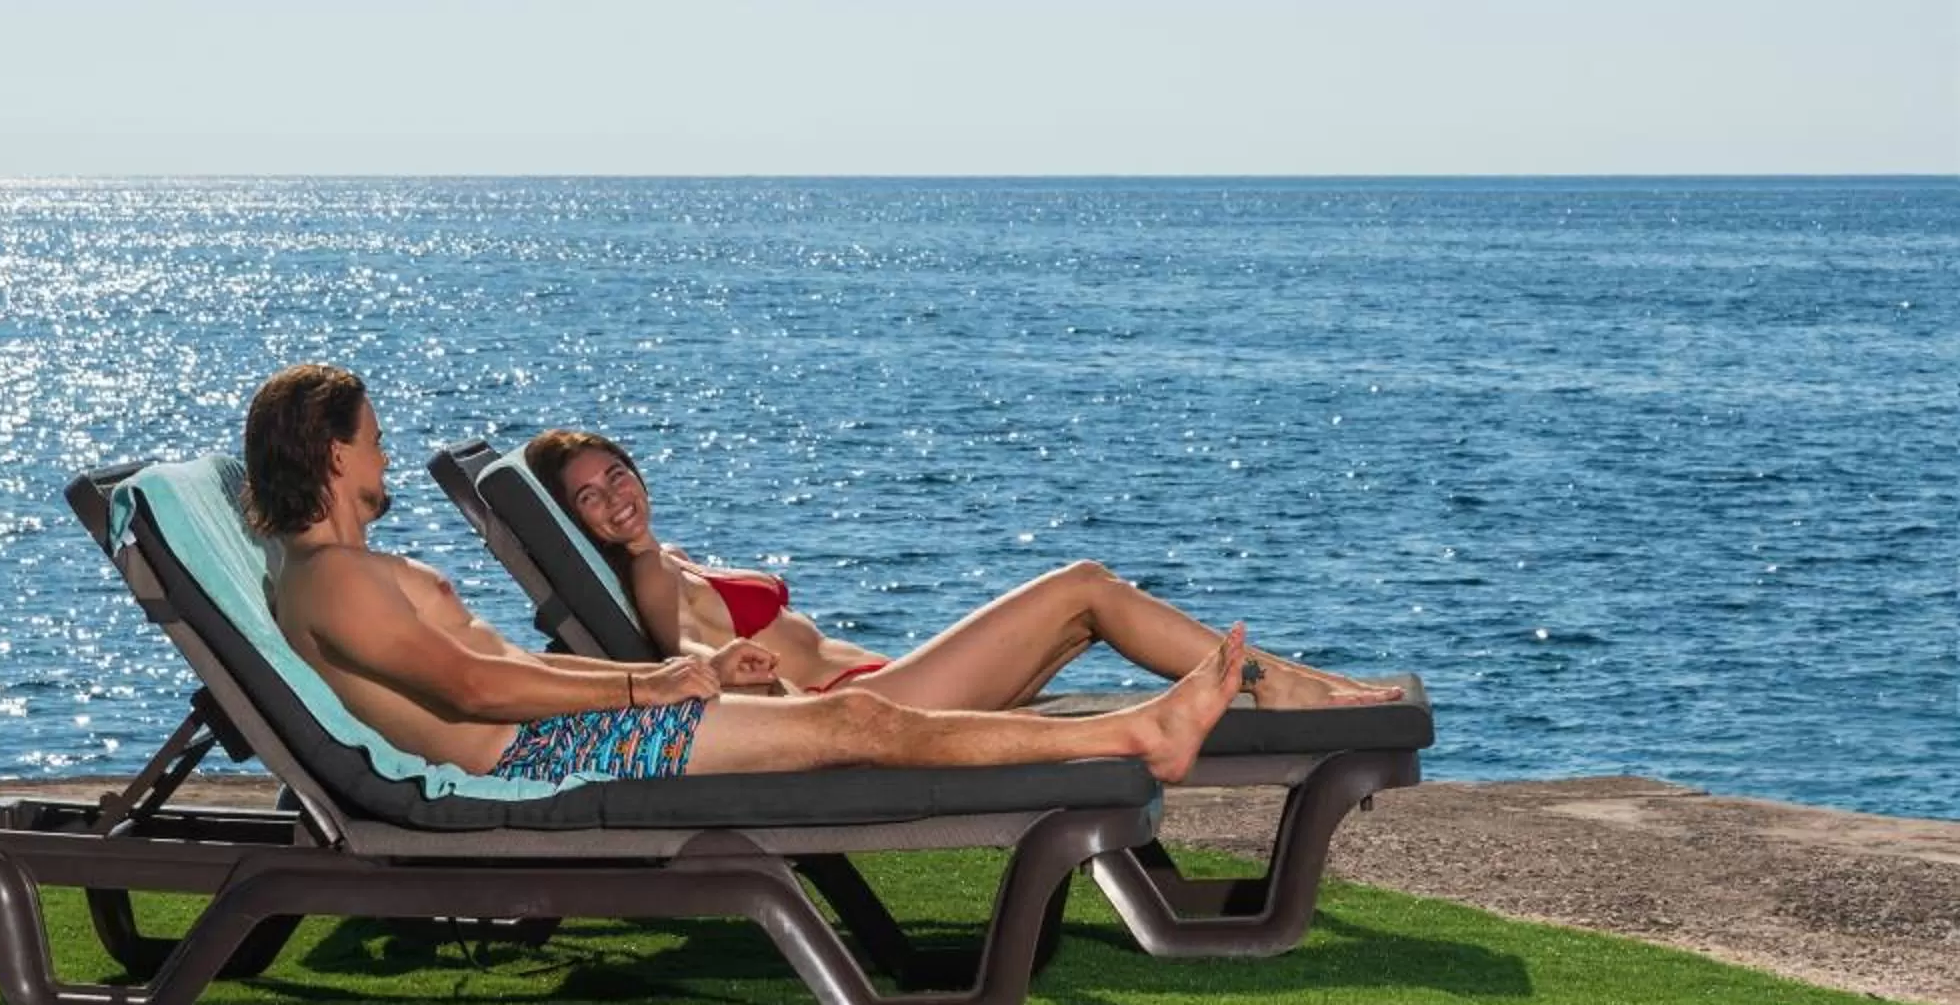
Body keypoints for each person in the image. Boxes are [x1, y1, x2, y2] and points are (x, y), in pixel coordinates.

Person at [243, 363, 1246, 788]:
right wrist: (647, 682)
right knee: (860, 726)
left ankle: (1135, 734)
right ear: (332, 456)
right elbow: (468, 686)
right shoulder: (334, 581)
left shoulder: (344, 572)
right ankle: (1138, 737)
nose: (385, 454)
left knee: (863, 723)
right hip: (538, 761)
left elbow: (491, 666)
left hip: (566, 729)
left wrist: (687, 675)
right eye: (372, 441)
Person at [522, 426, 1404, 714]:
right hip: (860, 711)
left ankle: (1291, 680)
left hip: (873, 686)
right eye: (589, 500)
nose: (615, 499)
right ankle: (1275, 684)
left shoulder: (662, 554)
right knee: (1084, 588)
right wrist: (729, 677)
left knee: (1084, 606)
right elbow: (686, 651)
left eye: (616, 476)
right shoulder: (646, 576)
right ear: (576, 522)